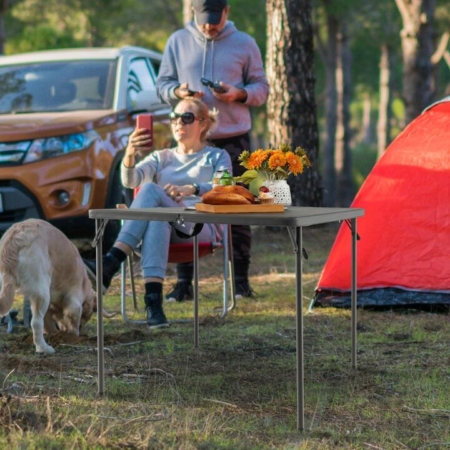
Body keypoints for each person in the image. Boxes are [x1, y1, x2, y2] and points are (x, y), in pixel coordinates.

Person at [83, 98, 232, 329]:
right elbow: (131, 180)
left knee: (152, 190)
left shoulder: (217, 156)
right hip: (167, 229)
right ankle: (154, 305)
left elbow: (224, 189)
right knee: (156, 218)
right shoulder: (160, 157)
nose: (178, 122)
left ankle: (111, 262)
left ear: (203, 124)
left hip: (200, 227)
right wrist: (130, 155)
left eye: (187, 117)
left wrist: (192, 188)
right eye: (174, 117)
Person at [156, 0, 269, 302]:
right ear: (193, 13)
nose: (210, 26)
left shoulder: (245, 43)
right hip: (190, 141)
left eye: (216, 20)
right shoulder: (177, 42)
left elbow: (262, 88)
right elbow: (162, 85)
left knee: (239, 208)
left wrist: (239, 94)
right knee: (186, 206)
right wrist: (178, 93)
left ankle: (241, 282)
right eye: (205, 20)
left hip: (234, 140)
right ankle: (183, 285)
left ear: (227, 13)